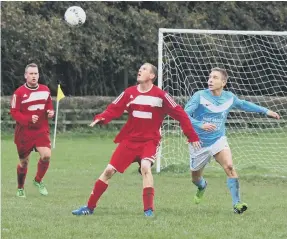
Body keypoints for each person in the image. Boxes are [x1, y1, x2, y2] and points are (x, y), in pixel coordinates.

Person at [72, 63, 200, 217]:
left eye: (144, 69)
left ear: (152, 76)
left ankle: (148, 210)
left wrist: (191, 135)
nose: (140, 70)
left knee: (146, 167)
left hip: (150, 141)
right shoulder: (129, 93)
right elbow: (114, 108)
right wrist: (101, 118)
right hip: (130, 141)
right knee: (108, 171)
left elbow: (181, 114)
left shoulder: (161, 96)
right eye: (140, 68)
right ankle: (89, 207)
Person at [184, 67, 280, 214]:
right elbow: (184, 114)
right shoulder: (199, 96)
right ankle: (202, 186)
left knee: (229, 166)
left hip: (218, 139)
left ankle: (237, 204)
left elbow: (244, 105)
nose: (210, 80)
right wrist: (200, 125)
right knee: (195, 178)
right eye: (209, 77)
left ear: (223, 82)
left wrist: (266, 111)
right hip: (198, 143)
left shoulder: (229, 97)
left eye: (215, 77)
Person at [10, 63, 54, 198]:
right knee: (24, 162)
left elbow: (49, 106)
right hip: (24, 132)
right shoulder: (19, 93)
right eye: (31, 74)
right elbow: (14, 112)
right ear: (25, 75)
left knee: (46, 155)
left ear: (38, 75)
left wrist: (50, 112)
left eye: (36, 73)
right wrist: (28, 118)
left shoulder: (45, 90)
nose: (34, 76)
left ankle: (38, 181)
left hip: (41, 130)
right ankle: (20, 188)